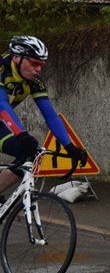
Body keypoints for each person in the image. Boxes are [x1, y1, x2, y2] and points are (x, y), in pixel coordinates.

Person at [0, 36, 87, 194]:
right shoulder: (1, 69)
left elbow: (50, 115)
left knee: (29, 155)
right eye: (34, 63)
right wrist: (22, 134)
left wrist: (69, 146)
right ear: (16, 58)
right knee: (24, 144)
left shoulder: (33, 81)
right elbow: (2, 104)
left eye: (41, 64)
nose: (38, 69)